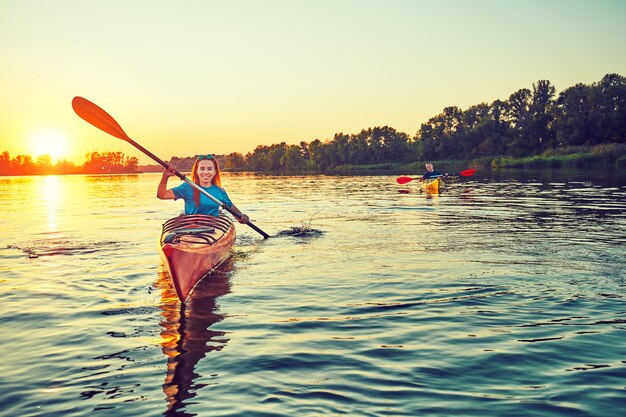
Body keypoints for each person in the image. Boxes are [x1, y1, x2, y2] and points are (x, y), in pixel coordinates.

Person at [157, 154, 249, 223]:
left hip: (214, 228)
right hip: (191, 227)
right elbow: (161, 195)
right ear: (197, 171)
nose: (205, 172)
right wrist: (165, 176)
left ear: (214, 172)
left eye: (209, 169)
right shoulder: (187, 187)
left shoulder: (220, 191)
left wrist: (243, 217)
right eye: (202, 169)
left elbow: (237, 216)